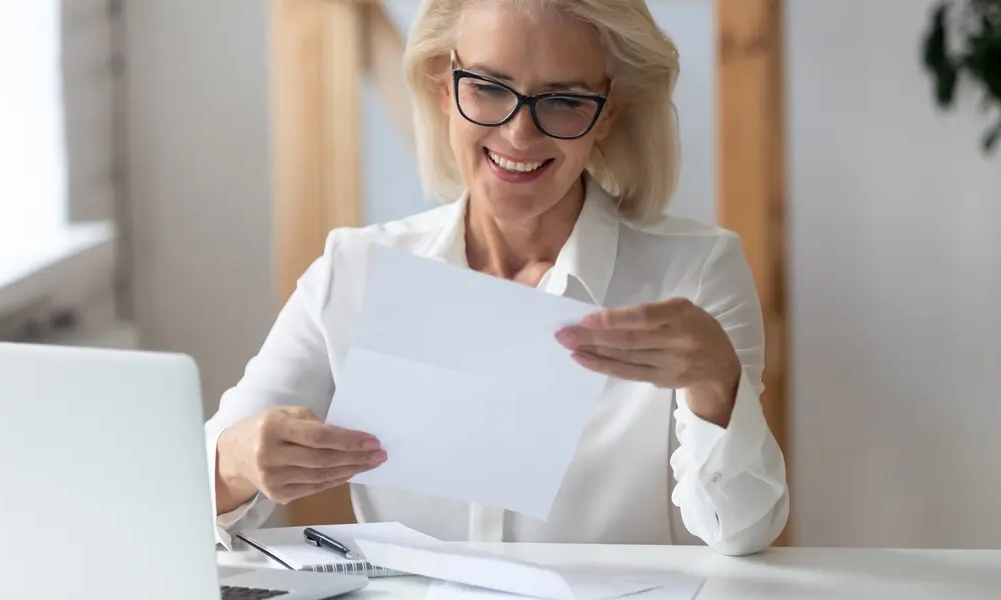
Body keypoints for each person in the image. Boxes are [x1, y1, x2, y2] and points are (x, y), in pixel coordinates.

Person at [207, 0, 789, 556]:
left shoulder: (695, 273)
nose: (518, 135)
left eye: (562, 100)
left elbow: (744, 531)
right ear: (443, 86)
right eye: (487, 88)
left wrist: (718, 385)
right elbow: (186, 493)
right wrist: (236, 460)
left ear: (607, 115)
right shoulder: (356, 270)